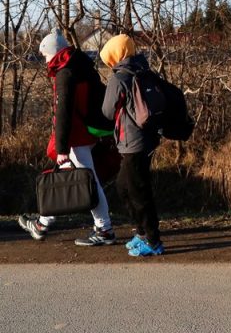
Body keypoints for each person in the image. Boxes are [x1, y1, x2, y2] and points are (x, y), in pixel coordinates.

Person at [18, 29, 116, 246]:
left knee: (88, 182)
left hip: (77, 135)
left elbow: (62, 113)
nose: (45, 60)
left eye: (45, 55)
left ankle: (105, 229)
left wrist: (62, 147)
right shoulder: (82, 66)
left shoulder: (65, 74)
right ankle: (42, 223)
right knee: (68, 177)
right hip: (88, 131)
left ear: (53, 52)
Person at [100, 34, 164, 257]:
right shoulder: (143, 68)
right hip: (147, 138)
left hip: (132, 142)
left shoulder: (119, 77)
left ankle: (153, 240)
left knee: (137, 191)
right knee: (125, 186)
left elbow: (107, 112)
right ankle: (142, 232)